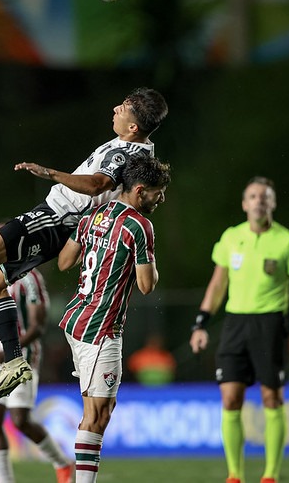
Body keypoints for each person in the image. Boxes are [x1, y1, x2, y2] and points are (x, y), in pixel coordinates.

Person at [0, 87, 169, 402]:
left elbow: (98, 184)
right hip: (64, 222)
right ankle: (15, 361)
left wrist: (51, 173)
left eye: (123, 108)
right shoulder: (140, 149)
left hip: (56, 216)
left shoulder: (125, 153)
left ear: (133, 127)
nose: (115, 108)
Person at [189, 176, 289, 483]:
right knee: (230, 398)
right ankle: (234, 475)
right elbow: (217, 285)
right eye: (253, 196)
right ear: (244, 204)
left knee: (271, 397)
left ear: (272, 203)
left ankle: (270, 475)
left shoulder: (287, 241)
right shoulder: (231, 238)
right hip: (235, 324)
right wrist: (201, 324)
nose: (259, 200)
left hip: (270, 323)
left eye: (265, 196)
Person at [57, 153, 171, 483]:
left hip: (76, 318)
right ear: (138, 190)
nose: (160, 198)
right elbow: (147, 286)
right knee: (98, 414)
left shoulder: (92, 216)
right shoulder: (139, 226)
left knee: (95, 410)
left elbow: (65, 261)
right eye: (157, 191)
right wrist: (145, 255)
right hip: (101, 328)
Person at [0, 225, 74, 483]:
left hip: (22, 357)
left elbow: (38, 326)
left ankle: (62, 463)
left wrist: (7, 351)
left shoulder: (29, 278)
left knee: (20, 420)